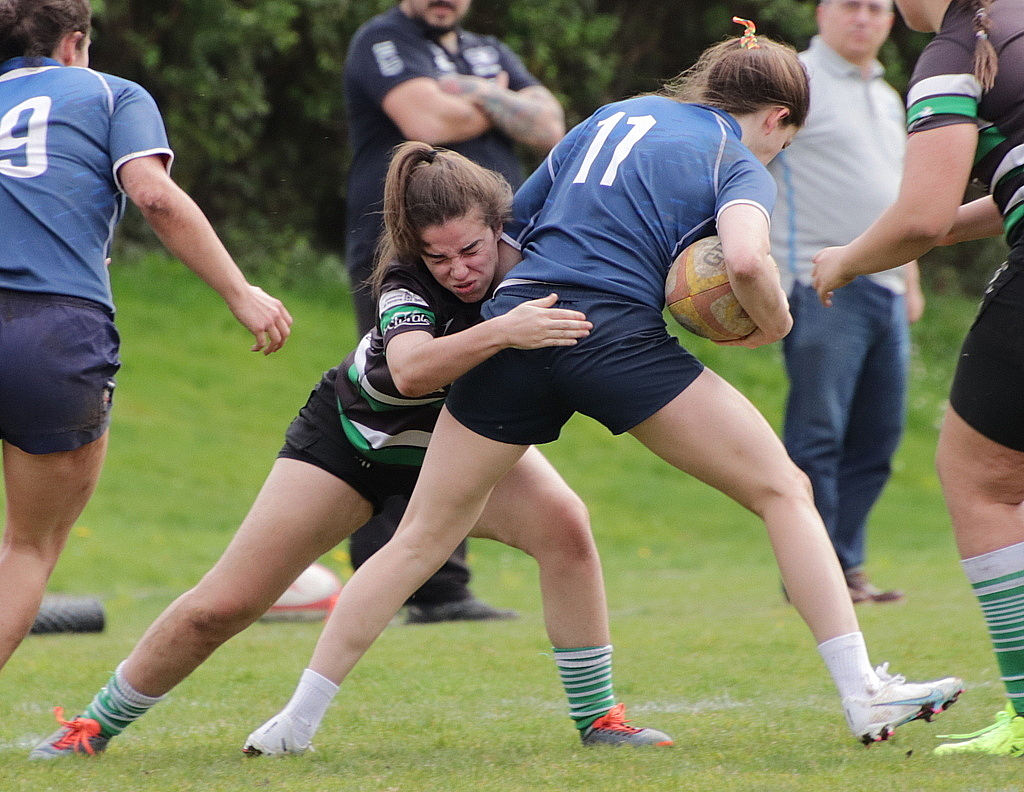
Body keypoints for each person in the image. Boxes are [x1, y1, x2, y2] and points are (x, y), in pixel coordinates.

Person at [243, 24, 964, 755]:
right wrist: (773, 324)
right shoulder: (738, 160)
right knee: (783, 489)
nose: (777, 153)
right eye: (786, 140)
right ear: (778, 118)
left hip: (520, 325)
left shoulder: (611, 116)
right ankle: (862, 692)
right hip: (614, 340)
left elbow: (512, 225)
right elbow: (746, 261)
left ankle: (293, 723)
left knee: (421, 536)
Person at [31, 141, 672, 759]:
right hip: (352, 441)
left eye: (471, 250)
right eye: (440, 257)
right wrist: (506, 332)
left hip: (460, 443)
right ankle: (93, 725)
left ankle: (600, 719)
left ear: (500, 228)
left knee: (566, 529)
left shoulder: (532, 258)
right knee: (223, 605)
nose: (459, 270)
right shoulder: (404, 281)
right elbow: (415, 370)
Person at [0, 0, 292, 675]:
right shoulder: (110, 93)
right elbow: (153, 196)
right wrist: (240, 293)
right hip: (53, 332)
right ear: (74, 44)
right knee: (29, 546)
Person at [812, 0, 1024, 757]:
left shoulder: (955, 51)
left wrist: (844, 259)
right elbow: (1001, 197)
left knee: (982, 480)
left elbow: (920, 220)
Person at [342, 0, 566, 624]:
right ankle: (400, 578)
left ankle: (440, 586)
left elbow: (549, 124)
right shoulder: (382, 40)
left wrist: (465, 89)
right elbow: (423, 121)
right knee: (405, 395)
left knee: (462, 401)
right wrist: (495, 103)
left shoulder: (488, 50)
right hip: (412, 261)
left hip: (490, 264)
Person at [767, 0, 924, 604]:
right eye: (850, 5)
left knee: (877, 440)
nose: (865, 18)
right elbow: (747, 166)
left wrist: (910, 279)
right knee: (818, 436)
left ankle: (846, 567)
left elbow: (898, 196)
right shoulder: (795, 81)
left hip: (885, 290)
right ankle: (813, 576)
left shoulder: (888, 95)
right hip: (818, 286)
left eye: (877, 7)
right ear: (822, 12)